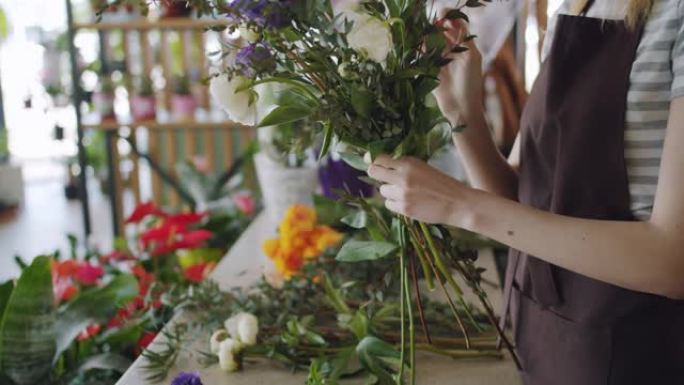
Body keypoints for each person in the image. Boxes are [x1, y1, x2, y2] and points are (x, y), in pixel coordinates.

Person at [367, 0, 684, 384]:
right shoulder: (577, 7)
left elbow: (672, 261)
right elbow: (524, 199)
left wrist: (459, 205)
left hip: (638, 354)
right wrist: (462, 113)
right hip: (545, 338)